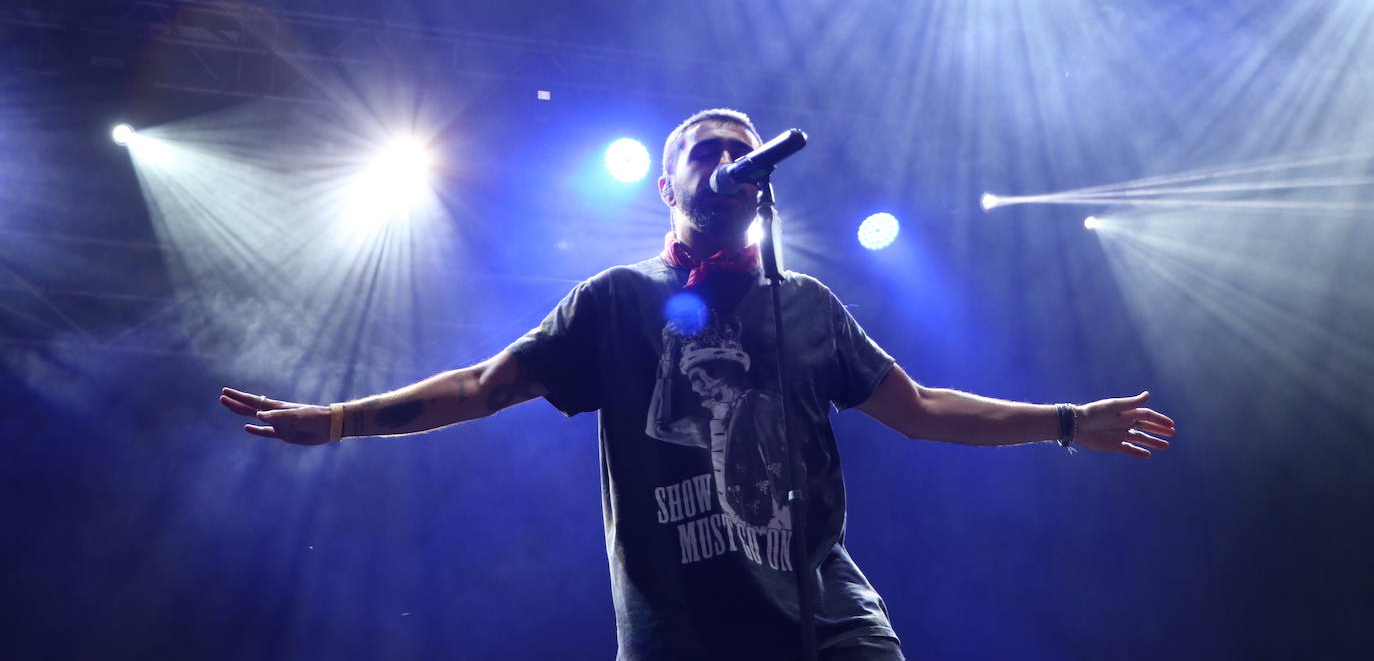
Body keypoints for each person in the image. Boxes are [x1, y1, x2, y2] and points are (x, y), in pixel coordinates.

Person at [220, 108, 1176, 661]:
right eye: (704, 153)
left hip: (826, 625)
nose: (727, 160)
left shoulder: (801, 302)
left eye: (739, 149)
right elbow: (480, 385)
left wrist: (1062, 420)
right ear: (668, 188)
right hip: (686, 639)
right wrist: (340, 420)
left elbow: (919, 410)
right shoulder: (616, 301)